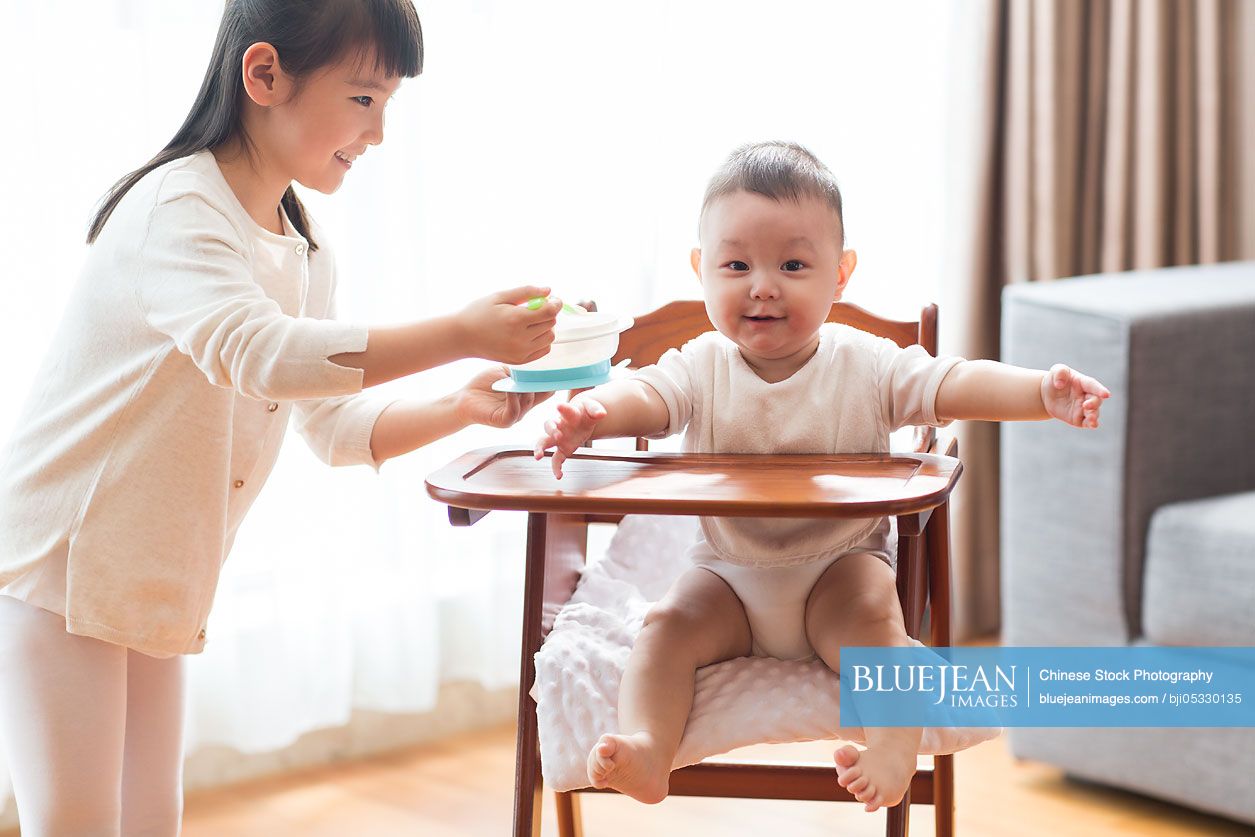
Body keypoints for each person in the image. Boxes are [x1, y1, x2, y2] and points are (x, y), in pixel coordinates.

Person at [0, 2, 560, 834]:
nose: (377, 133)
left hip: (156, 573)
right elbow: (259, 353)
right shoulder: (178, 209)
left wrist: (462, 403)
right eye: (364, 98)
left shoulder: (302, 243)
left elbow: (330, 427)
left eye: (389, 105)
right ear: (263, 75)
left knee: (153, 820)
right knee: (76, 823)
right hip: (63, 566)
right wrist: (456, 332)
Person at [533, 140, 1111, 812]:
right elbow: (650, 399)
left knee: (873, 616)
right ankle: (646, 747)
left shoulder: (866, 365)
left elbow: (954, 382)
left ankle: (893, 747)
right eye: (736, 263)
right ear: (702, 270)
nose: (762, 284)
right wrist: (594, 415)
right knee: (663, 627)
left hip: (835, 570)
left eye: (792, 263)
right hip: (726, 574)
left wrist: (1041, 392)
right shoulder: (699, 363)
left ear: (839, 274)